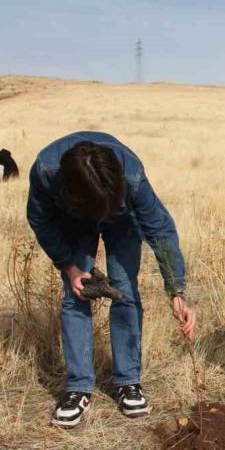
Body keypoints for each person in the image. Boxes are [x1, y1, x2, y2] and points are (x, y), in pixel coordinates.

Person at [27, 132, 196, 428]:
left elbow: (159, 229)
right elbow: (40, 220)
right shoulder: (46, 170)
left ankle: (128, 381)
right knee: (76, 294)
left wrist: (176, 291)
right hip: (74, 221)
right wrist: (70, 267)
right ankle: (78, 387)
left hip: (122, 222)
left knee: (125, 290)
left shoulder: (131, 174)